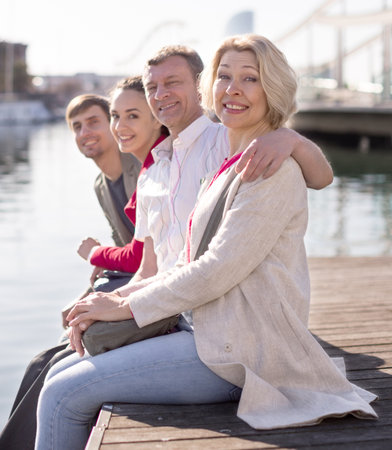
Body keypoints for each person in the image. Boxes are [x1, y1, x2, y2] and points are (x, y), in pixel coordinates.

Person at [35, 34, 376, 450]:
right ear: (211, 86)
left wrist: (123, 304)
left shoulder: (268, 167)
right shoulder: (226, 166)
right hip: (203, 329)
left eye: (250, 78)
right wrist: (108, 303)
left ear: (274, 89)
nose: (233, 88)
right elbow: (180, 262)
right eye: (226, 76)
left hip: (239, 351)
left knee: (62, 395)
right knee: (54, 374)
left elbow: (217, 269)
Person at [0, 76, 167, 450]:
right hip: (130, 281)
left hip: (155, 293)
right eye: (76, 126)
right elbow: (126, 248)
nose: (84, 132)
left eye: (94, 121)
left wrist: (95, 255)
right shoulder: (100, 184)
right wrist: (93, 282)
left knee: (58, 363)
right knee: (40, 362)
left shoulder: (142, 167)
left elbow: (143, 255)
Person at [129, 43, 334, 284]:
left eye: (172, 82)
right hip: (162, 305)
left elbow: (321, 179)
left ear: (200, 87)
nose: (160, 94)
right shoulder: (150, 174)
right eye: (151, 87)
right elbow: (148, 270)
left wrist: (291, 138)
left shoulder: (230, 140)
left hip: (205, 303)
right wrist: (111, 301)